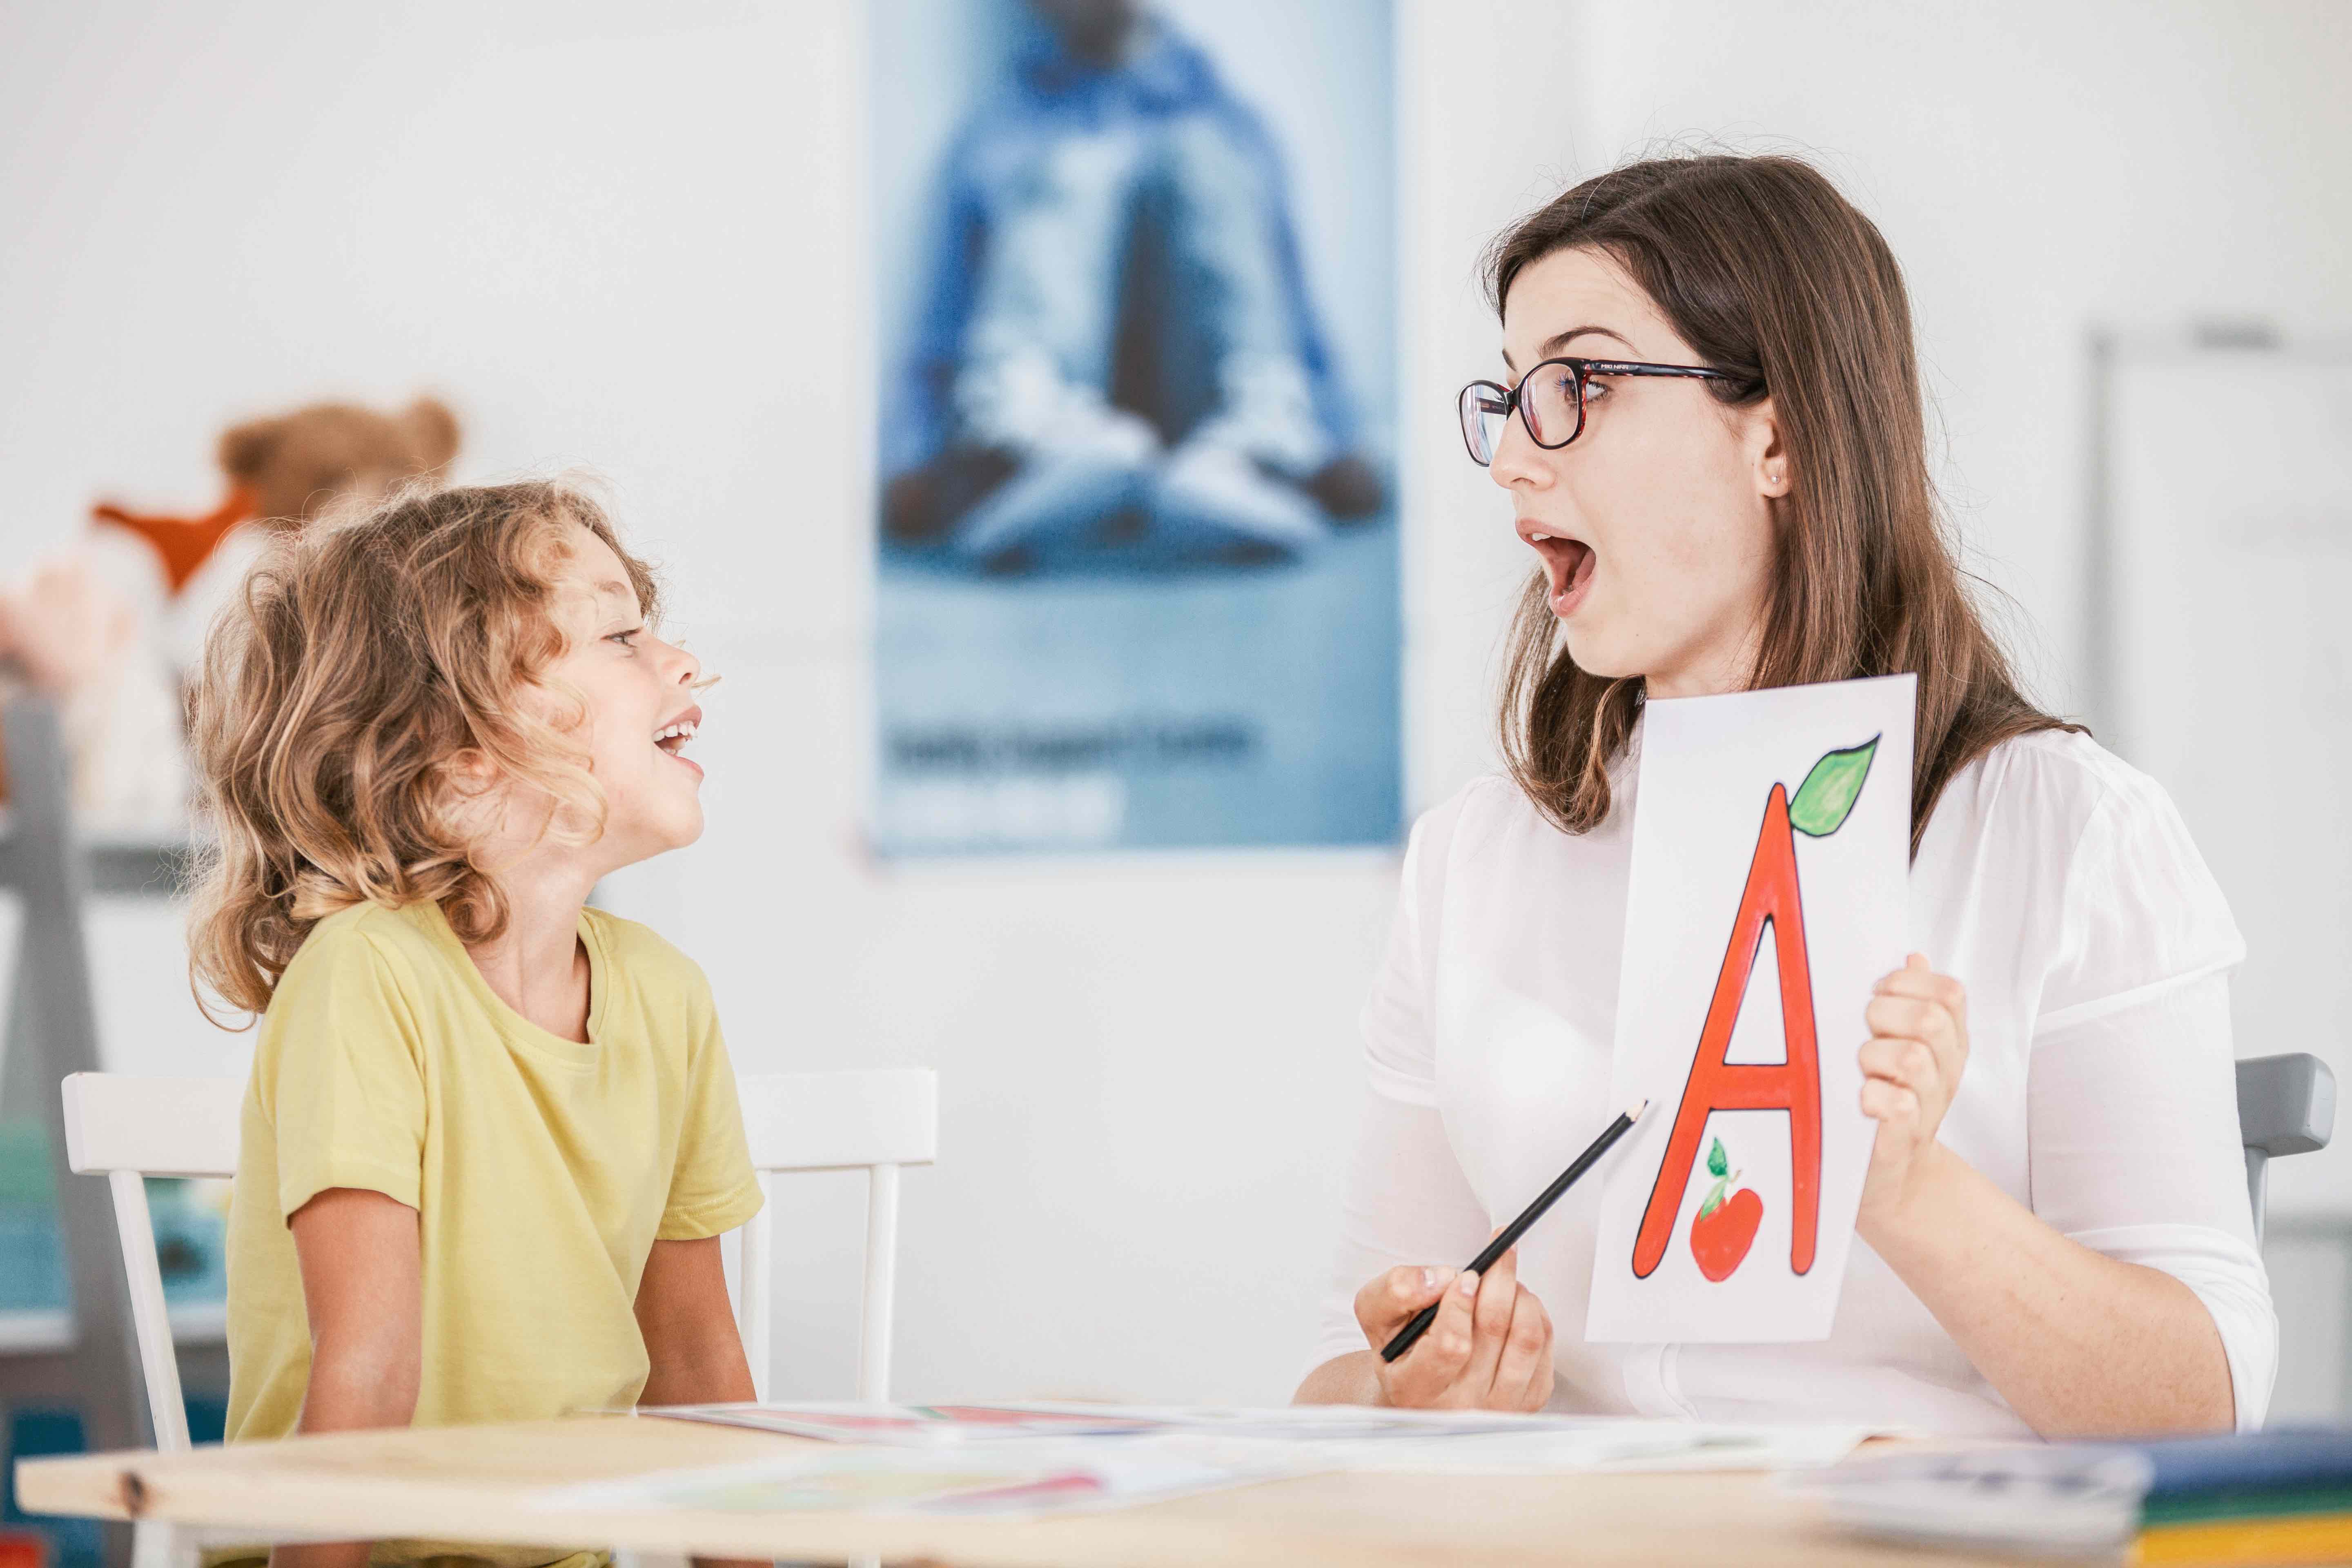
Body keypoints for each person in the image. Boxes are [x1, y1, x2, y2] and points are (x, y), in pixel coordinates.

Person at [1296, 154, 2271, 1438]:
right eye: (1513, 398)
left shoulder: (2068, 834)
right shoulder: (1476, 861)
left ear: (1780, 437)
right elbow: (1333, 1376)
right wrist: (1411, 1383)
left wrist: (1915, 1194)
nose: (1513, 464)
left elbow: (2205, 1407)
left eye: (1579, 387)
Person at [188, 481, 765, 1568]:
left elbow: (695, 1367)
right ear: (462, 755)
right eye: (622, 633)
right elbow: (365, 1367)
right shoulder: (369, 979)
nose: (684, 663)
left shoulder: (668, 998)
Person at [881, 0, 1382, 572]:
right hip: (1057, 433)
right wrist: (911, 453)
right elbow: (947, 315)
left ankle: (1252, 456)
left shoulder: (1230, 123)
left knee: (1202, 161)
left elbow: (1290, 306)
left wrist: (1341, 436)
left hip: (1199, 420)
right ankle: (1026, 459)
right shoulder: (998, 132)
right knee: (1066, 169)